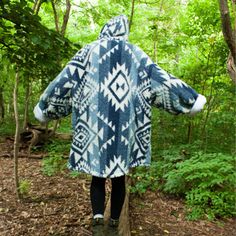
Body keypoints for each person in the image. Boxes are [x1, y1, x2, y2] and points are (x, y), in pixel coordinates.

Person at [34, 15, 206, 236]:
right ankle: (114, 223)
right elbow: (163, 81)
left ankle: (97, 220)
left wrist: (45, 108)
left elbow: (65, 81)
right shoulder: (136, 54)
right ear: (124, 32)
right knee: (119, 178)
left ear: (105, 30)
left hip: (94, 129)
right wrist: (189, 99)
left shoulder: (87, 51)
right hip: (124, 131)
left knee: (97, 175)